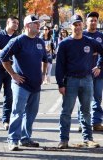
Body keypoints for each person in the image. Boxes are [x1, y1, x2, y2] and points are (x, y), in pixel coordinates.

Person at [0, 14, 48, 151]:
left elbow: (45, 59)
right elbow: (3, 56)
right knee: (17, 112)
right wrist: (13, 74)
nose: (39, 25)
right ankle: (13, 140)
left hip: (35, 85)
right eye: (36, 23)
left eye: (39, 23)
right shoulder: (18, 41)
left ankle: (25, 139)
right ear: (27, 26)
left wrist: (43, 74)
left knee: (31, 113)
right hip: (21, 84)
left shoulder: (40, 42)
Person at [55, 14, 103, 149]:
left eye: (79, 24)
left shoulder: (89, 41)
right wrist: (60, 84)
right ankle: (63, 139)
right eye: (75, 25)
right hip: (71, 81)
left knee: (86, 111)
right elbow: (59, 66)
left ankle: (88, 139)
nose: (77, 27)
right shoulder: (64, 44)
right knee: (66, 112)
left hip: (87, 80)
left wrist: (99, 65)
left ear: (83, 25)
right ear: (71, 27)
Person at [83, 12, 103, 131]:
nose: (93, 22)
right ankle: (83, 123)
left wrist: (99, 66)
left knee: (97, 97)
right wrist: (93, 52)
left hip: (99, 72)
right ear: (87, 22)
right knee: (84, 98)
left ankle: (96, 122)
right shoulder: (82, 34)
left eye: (95, 20)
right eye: (91, 20)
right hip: (84, 72)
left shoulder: (101, 35)